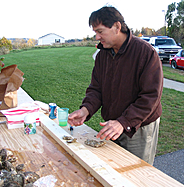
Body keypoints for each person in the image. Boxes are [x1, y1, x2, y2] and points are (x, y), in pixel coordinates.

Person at [67, 6, 163, 165]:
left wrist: (123, 122)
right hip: (112, 125)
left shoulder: (145, 53)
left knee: (135, 173)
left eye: (100, 31)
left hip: (139, 127)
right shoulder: (102, 54)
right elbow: (96, 89)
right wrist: (86, 109)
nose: (97, 37)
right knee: (113, 168)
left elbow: (150, 97)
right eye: (95, 32)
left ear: (117, 27)